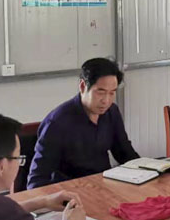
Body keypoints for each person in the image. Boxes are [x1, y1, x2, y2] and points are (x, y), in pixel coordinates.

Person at [28, 58, 139, 188]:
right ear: (82, 86)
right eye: (101, 92)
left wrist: (149, 170)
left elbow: (125, 153)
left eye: (112, 93)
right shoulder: (57, 122)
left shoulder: (111, 112)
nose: (106, 101)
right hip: (69, 190)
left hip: (102, 185)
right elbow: (37, 179)